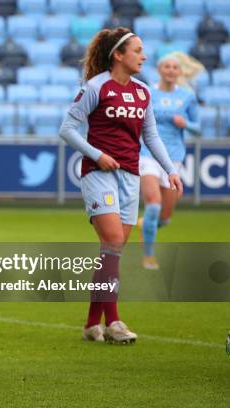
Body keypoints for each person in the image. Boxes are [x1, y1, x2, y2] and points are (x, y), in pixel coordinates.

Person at [59, 27, 183, 344]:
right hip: (98, 173)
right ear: (118, 55)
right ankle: (114, 322)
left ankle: (91, 324)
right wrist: (97, 154)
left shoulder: (143, 92)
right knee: (113, 240)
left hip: (130, 175)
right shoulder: (95, 87)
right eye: (137, 50)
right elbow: (68, 129)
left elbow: (151, 136)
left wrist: (170, 169)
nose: (144, 56)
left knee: (110, 252)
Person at [138, 53, 200, 270]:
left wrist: (186, 124)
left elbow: (198, 128)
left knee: (164, 218)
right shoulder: (148, 93)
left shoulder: (187, 97)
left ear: (180, 72)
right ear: (160, 70)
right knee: (153, 206)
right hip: (148, 154)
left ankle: (144, 225)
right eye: (167, 66)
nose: (171, 70)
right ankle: (148, 256)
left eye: (175, 67)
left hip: (174, 158)